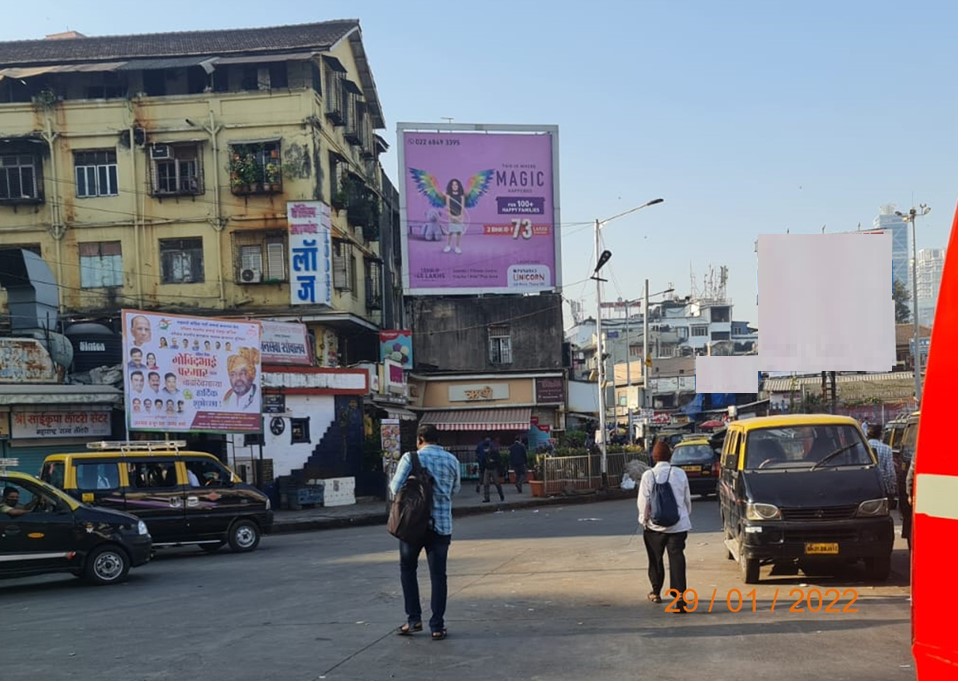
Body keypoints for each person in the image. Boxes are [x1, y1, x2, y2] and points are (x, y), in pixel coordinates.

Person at [388, 423, 460, 641]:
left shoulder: (411, 458)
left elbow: (394, 487)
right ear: (438, 440)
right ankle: (437, 626)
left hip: (412, 526)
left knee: (408, 569)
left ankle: (414, 620)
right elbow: (455, 490)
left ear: (420, 439)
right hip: (441, 525)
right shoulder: (452, 460)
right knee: (439, 575)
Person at [637, 439, 692, 611]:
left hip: (654, 527)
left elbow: (643, 502)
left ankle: (656, 592)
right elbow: (687, 500)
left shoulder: (648, 475)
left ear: (653, 458)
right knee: (677, 559)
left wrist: (644, 520)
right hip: (678, 526)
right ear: (670, 457)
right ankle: (680, 598)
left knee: (655, 559)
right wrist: (683, 516)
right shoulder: (680, 473)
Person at [866, 424, 898, 504]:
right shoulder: (886, 449)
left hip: (864, 484)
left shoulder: (861, 447)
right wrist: (892, 490)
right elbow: (890, 472)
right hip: (881, 486)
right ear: (880, 435)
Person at [442, 178, 466, 254]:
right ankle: (448, 245)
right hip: (451, 216)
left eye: (456, 184)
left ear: (458, 186)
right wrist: (451, 216)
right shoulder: (448, 196)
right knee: (450, 232)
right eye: (453, 184)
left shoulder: (461, 196)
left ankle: (457, 247)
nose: (454, 186)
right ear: (451, 186)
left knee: (459, 232)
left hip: (459, 216)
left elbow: (462, 207)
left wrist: (461, 216)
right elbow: (448, 207)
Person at [479, 435, 504, 502]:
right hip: (489, 468)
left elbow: (499, 460)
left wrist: (494, 461)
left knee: (496, 483)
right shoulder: (490, 452)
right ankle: (487, 498)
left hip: (492, 468)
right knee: (486, 483)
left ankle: (500, 495)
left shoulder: (493, 452)